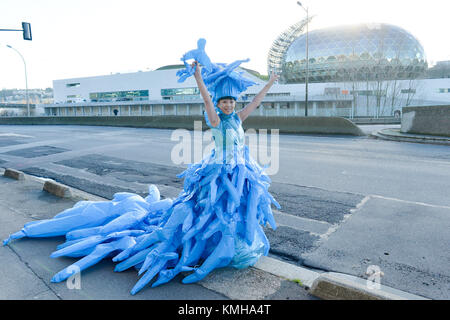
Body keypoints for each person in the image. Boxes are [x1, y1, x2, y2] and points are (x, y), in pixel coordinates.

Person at [2, 39, 281, 295]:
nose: (229, 105)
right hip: (218, 175)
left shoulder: (238, 119)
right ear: (219, 105)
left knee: (236, 214)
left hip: (241, 172)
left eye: (232, 101)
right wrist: (197, 76)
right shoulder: (216, 120)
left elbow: (255, 102)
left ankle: (233, 248)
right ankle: (202, 250)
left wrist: (269, 83)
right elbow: (206, 99)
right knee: (210, 213)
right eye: (225, 101)